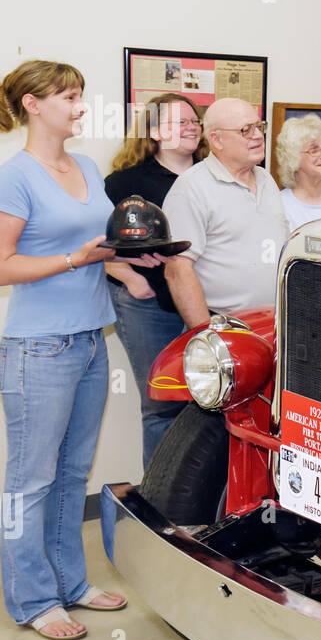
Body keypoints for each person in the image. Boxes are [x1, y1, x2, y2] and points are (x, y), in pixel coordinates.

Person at [0, 60, 164, 640]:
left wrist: (127, 261)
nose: (81, 105)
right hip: (37, 350)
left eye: (82, 95)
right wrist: (74, 260)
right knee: (30, 481)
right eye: (69, 96)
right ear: (32, 105)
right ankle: (34, 600)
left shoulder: (84, 166)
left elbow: (96, 245)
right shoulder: (11, 178)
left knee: (70, 474)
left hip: (89, 342)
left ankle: (69, 582)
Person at [104, 93, 207, 467]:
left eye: (193, 121)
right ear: (153, 131)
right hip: (149, 304)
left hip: (206, 304)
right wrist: (128, 276)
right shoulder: (123, 184)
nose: (190, 128)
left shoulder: (215, 175)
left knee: (210, 405)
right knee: (162, 405)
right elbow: (94, 247)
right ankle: (163, 505)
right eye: (179, 122)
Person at [162, 97, 288, 326]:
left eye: (259, 127)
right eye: (245, 130)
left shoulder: (267, 179)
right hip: (224, 326)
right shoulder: (191, 187)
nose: (258, 136)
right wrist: (208, 337)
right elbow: (178, 271)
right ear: (217, 140)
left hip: (273, 323)